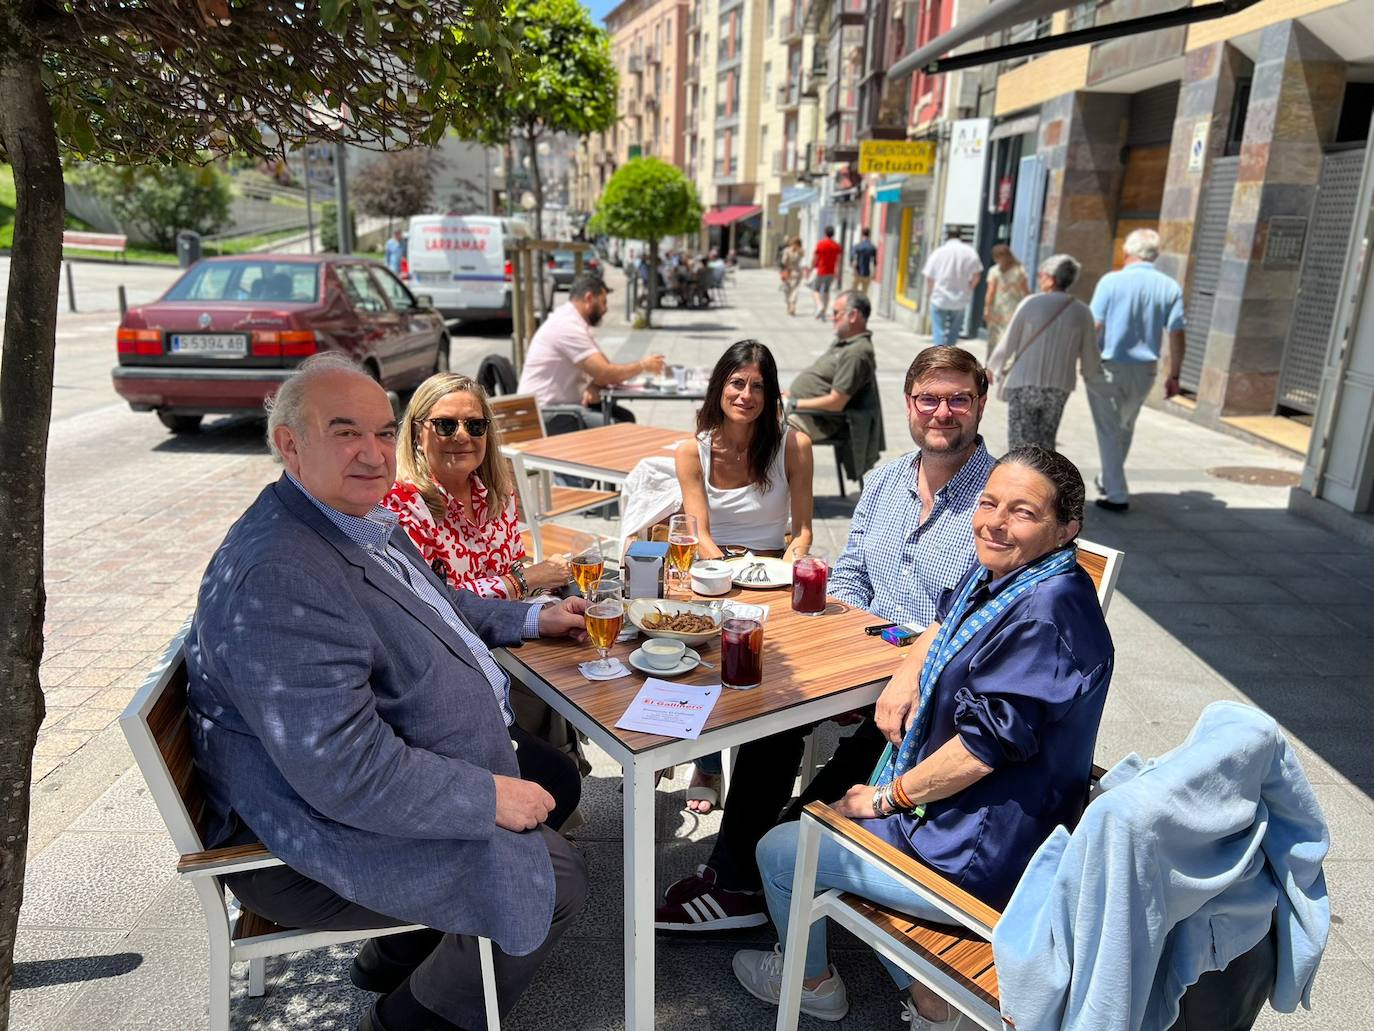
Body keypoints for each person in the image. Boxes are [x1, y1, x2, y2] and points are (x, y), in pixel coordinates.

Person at [185, 353, 593, 1031]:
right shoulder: (281, 573)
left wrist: (529, 615)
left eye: (382, 431)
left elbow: (440, 604)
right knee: (554, 879)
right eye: (347, 432)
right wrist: (488, 794)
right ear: (289, 442)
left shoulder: (350, 515)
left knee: (558, 777)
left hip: (359, 778)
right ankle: (407, 1019)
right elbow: (344, 771)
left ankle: (395, 953)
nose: (375, 454)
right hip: (305, 834)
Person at [734, 445, 1113, 1026]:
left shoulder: (1045, 612)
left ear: (1067, 530)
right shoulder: (1010, 572)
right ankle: (932, 996)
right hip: (975, 814)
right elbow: (946, 620)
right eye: (988, 502)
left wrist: (885, 798)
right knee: (831, 802)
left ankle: (812, 983)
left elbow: (982, 750)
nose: (994, 521)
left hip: (979, 851)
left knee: (782, 849)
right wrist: (909, 671)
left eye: (1022, 512)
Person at [656, 345, 997, 934]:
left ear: (981, 403)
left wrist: (904, 668)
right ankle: (738, 871)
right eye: (929, 399)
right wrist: (829, 644)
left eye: (958, 399)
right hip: (866, 649)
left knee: (873, 735)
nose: (943, 412)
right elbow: (854, 575)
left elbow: (982, 614)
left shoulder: (997, 499)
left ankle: (779, 864)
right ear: (909, 405)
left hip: (934, 683)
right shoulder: (887, 480)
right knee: (774, 704)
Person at [675, 340, 816, 814]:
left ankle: (757, 761)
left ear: (771, 394)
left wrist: (791, 560)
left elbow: (803, 531)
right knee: (709, 657)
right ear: (720, 387)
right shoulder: (690, 452)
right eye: (737, 382)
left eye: (758, 386)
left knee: (769, 666)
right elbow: (700, 534)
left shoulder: (793, 444)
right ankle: (708, 763)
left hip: (772, 572)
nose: (746, 395)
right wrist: (731, 576)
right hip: (716, 570)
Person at [384, 373, 570, 600]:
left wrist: (551, 587)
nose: (462, 436)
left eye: (474, 425)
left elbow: (513, 568)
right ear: (417, 434)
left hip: (515, 625)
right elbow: (430, 599)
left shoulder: (498, 492)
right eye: (445, 425)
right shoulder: (402, 503)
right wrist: (529, 579)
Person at [1086, 227, 1186, 512]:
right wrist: (1175, 374)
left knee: (1109, 429)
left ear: (1127, 252)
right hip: (1145, 371)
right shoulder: (1169, 286)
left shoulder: (1111, 281)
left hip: (1108, 366)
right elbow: (1177, 332)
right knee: (1124, 426)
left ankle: (1116, 492)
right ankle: (1108, 479)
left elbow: (1095, 325)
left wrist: (1084, 360)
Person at [516, 273, 666, 427]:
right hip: (542, 415)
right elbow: (606, 373)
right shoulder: (566, 326)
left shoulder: (573, 322)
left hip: (559, 409)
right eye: (603, 302)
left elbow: (601, 371)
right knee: (620, 427)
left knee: (624, 417)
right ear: (588, 298)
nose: (606, 309)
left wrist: (593, 385)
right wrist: (642, 365)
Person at [988, 254, 1103, 452]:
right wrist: (1093, 375)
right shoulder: (1082, 311)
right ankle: (1043, 480)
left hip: (1024, 383)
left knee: (1020, 441)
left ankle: (1021, 479)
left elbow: (1010, 340)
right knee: (1046, 441)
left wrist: (992, 367)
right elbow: (1090, 353)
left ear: (1051, 278)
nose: (1039, 279)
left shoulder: (1031, 303)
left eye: (1041, 275)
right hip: (1059, 386)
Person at [782, 290, 876, 444]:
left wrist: (793, 403)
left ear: (853, 316)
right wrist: (790, 395)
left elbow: (836, 402)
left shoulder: (856, 352)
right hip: (803, 409)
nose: (832, 318)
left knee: (769, 430)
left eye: (836, 313)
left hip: (818, 420)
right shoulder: (845, 342)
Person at [923, 227, 983, 345]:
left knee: (938, 331)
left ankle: (940, 357)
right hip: (960, 298)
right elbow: (977, 275)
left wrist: (930, 292)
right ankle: (950, 357)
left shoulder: (939, 252)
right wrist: (969, 288)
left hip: (940, 297)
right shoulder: (969, 252)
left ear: (947, 236)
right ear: (960, 236)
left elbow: (930, 277)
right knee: (954, 332)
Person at [981, 243, 1028, 359]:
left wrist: (987, 309)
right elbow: (1025, 291)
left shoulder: (994, 271)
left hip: (998, 310)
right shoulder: (1019, 270)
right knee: (1008, 338)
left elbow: (990, 292)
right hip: (1012, 309)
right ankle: (1006, 364)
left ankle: (992, 364)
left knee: (995, 339)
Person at [810, 225, 843, 319]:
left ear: (825, 233)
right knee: (826, 291)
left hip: (821, 270)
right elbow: (838, 260)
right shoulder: (837, 246)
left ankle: (819, 305)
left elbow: (815, 257)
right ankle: (824, 311)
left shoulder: (821, 244)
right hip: (831, 272)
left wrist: (811, 267)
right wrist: (837, 272)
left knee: (815, 290)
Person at [779, 236, 806, 316]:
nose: (794, 245)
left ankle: (792, 305)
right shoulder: (796, 251)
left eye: (795, 243)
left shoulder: (790, 251)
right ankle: (790, 306)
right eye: (794, 243)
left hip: (792, 272)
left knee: (792, 290)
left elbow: (783, 262)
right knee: (790, 290)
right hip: (792, 272)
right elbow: (784, 262)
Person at [850, 227, 878, 295]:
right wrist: (874, 273)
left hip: (857, 273)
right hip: (867, 273)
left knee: (853, 292)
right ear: (869, 235)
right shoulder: (872, 247)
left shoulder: (857, 246)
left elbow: (853, 259)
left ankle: (854, 304)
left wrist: (854, 271)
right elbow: (874, 261)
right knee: (864, 294)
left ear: (862, 234)